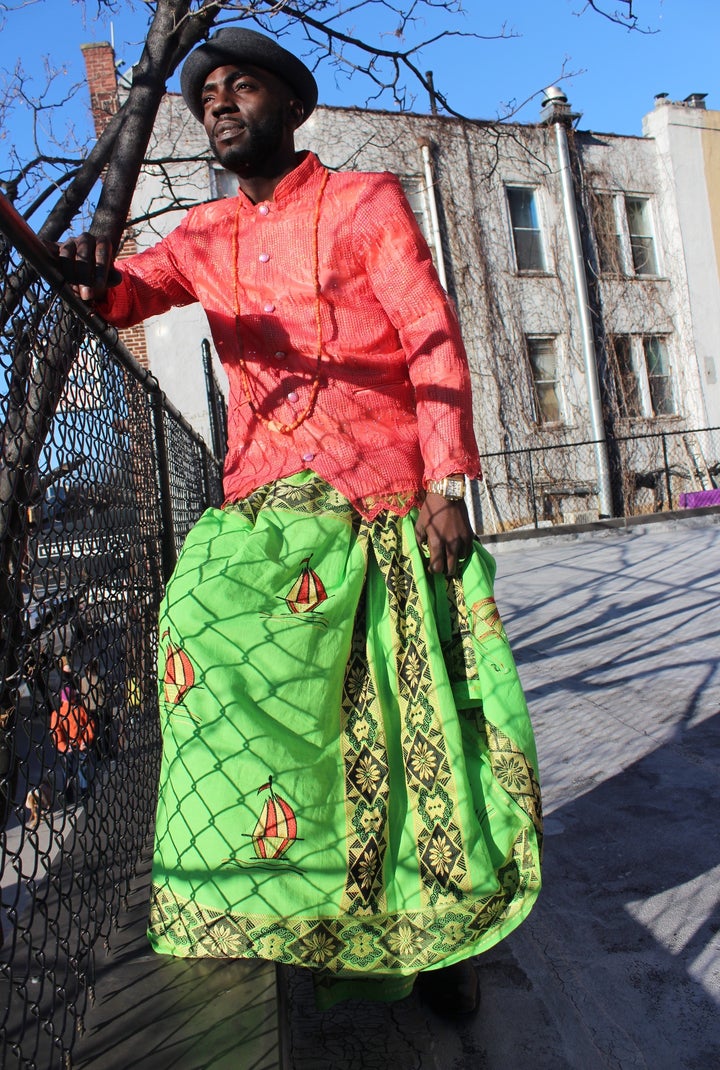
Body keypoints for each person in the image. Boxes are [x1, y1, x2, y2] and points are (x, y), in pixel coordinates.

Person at [58, 28, 542, 1014]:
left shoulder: (367, 203)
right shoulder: (206, 235)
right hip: (265, 513)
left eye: (241, 87)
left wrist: (449, 481)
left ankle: (442, 941)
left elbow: (430, 337)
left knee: (406, 729)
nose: (220, 104)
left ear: (292, 106)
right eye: (207, 96)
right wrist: (87, 272)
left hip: (386, 506)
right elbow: (126, 293)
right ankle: (283, 902)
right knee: (199, 635)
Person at [50, 660, 96, 802]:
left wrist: (63, 746)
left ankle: (68, 796)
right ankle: (84, 794)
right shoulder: (79, 710)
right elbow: (90, 725)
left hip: (67, 747)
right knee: (82, 771)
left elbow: (55, 732)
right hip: (79, 743)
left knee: (67, 772)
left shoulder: (57, 714)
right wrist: (85, 741)